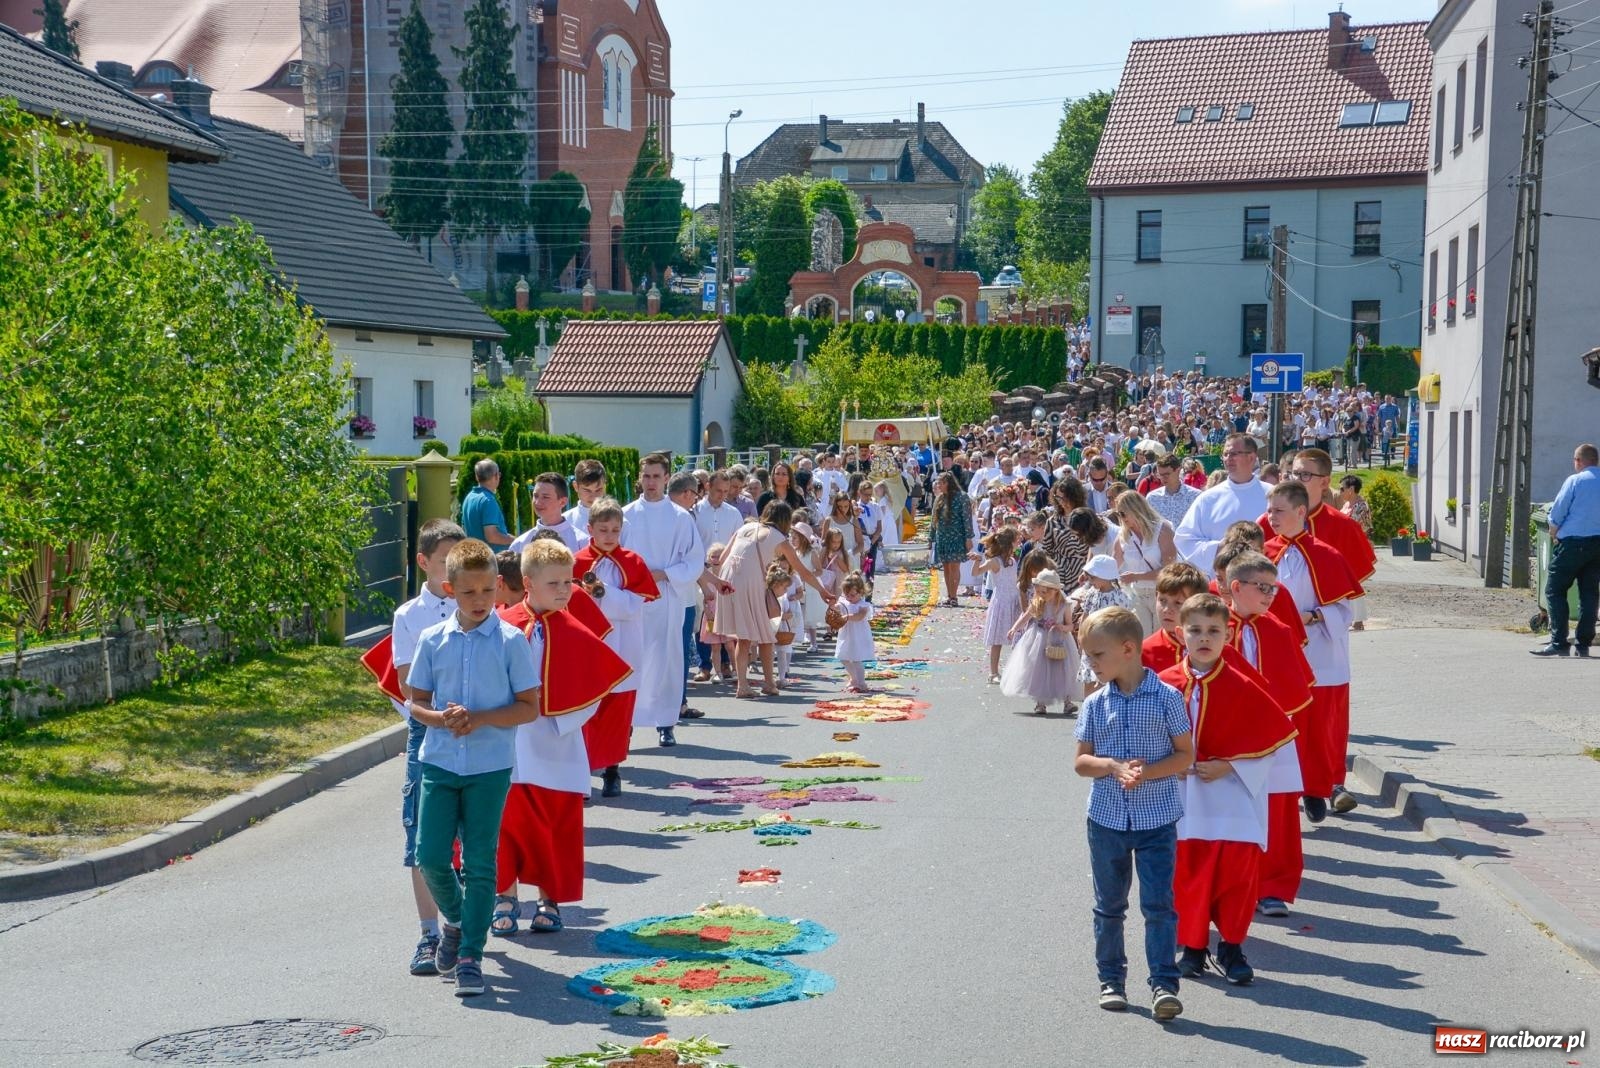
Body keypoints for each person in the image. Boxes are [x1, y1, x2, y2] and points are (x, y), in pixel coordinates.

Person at [403, 538, 541, 997]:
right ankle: (458, 921)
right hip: (440, 762)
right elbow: (415, 702)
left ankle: (470, 957)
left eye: (486, 591)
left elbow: (528, 708)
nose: (479, 601)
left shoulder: (510, 641)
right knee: (430, 856)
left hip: (489, 766)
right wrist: (440, 718)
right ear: (450, 590)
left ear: (498, 586)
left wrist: (480, 718)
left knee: (481, 863)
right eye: (468, 593)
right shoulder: (431, 639)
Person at [492, 538, 629, 939]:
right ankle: (505, 895)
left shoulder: (575, 631)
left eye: (568, 582)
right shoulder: (501, 626)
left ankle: (548, 899)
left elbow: (597, 685)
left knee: (555, 826)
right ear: (528, 582)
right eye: (554, 583)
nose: (565, 590)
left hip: (556, 745)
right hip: (510, 744)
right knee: (506, 822)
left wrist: (563, 717)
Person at [1160, 593, 1296, 987]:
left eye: (1214, 631)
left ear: (1228, 634)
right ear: (1180, 632)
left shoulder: (1245, 686)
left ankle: (1232, 946)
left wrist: (1230, 764)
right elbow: (1146, 739)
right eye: (1196, 630)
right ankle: (1193, 947)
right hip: (1183, 800)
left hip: (1232, 799)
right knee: (1190, 874)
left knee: (1236, 876)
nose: (1205, 638)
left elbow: (1271, 746)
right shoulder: (1164, 686)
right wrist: (1170, 763)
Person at [1073, 606, 1194, 1021]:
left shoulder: (1167, 698)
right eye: (1087, 655)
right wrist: (1110, 766)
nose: (1090, 663)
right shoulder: (1093, 704)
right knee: (1108, 905)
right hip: (1106, 820)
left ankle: (1163, 984)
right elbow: (1081, 763)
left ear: (1127, 648)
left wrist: (1148, 773)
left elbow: (1185, 756)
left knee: (1158, 905)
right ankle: (1111, 980)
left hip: (1157, 821)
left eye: (1096, 655)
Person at [386, 518, 464, 977]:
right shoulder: (409, 616)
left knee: (471, 831)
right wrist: (442, 715)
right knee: (420, 835)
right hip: (428, 730)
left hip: (476, 729)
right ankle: (428, 932)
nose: (453, 574)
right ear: (423, 562)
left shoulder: (476, 606)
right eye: (443, 564)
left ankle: (465, 925)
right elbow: (407, 683)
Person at [1219, 548, 1315, 918]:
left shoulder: (1278, 630)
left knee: (1279, 811)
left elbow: (1295, 686)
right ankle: (1231, 886)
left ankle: (1273, 887)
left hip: (1272, 737)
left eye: (1274, 589)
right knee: (1228, 811)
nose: (1271, 596)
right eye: (1263, 588)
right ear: (1236, 586)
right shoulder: (1212, 624)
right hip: (1226, 735)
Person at [1263, 480, 1362, 824]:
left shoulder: (1326, 554)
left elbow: (1347, 611)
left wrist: (1314, 615)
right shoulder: (1264, 555)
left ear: (1301, 512)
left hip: (1320, 653)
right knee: (1283, 727)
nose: (1270, 516)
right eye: (1269, 509)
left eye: (1278, 510)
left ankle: (1318, 788)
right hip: (1278, 656)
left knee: (1320, 728)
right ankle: (1288, 790)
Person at [574, 500, 658, 798]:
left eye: (615, 530)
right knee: (584, 712)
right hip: (589, 647)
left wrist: (603, 592)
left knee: (616, 712)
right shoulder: (577, 562)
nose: (609, 536)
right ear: (590, 530)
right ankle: (580, 774)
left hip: (623, 644)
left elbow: (635, 606)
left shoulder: (633, 561)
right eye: (603, 530)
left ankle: (612, 770)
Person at [621, 454, 701, 748]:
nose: (651, 482)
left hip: (667, 596)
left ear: (666, 478)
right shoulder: (626, 515)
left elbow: (694, 561)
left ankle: (666, 722)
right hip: (632, 599)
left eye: (656, 476)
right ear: (639, 478)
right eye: (646, 476)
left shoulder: (680, 517)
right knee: (632, 660)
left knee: (667, 659)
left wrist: (664, 574)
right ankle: (626, 722)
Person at [715, 502, 833, 697]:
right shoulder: (779, 538)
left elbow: (723, 558)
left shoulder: (745, 527)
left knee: (744, 638)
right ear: (785, 521)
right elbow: (803, 572)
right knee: (766, 635)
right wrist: (822, 591)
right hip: (751, 584)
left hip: (728, 580)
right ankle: (768, 684)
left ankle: (742, 685)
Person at [1532, 443, 1600, 657]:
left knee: (1554, 589)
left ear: (1579, 461)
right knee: (1589, 593)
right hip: (1597, 544)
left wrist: (1553, 533)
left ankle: (1559, 641)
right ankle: (1583, 644)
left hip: (1572, 543)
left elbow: (1558, 511)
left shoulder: (1575, 481)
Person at [1174, 434, 1268, 576]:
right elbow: (1184, 539)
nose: (1228, 458)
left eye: (1234, 453)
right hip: (1219, 585)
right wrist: (1219, 548)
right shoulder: (1208, 498)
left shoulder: (1271, 495)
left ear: (1252, 457)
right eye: (1225, 454)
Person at [1001, 568, 1081, 716]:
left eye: (1047, 592)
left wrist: (1061, 627)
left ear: (1056, 590)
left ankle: (1067, 701)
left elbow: (1071, 625)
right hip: (1039, 639)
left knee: (1063, 670)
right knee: (1039, 669)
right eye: (1040, 591)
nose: (1043, 595)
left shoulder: (1064, 604)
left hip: (1060, 640)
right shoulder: (1038, 602)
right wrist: (1014, 628)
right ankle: (1040, 703)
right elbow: (1025, 617)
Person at [1113, 492, 1178, 636]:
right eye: (1118, 514)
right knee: (1142, 639)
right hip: (1138, 595)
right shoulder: (1123, 536)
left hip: (1163, 594)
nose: (1121, 518)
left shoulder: (1163, 530)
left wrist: (1136, 576)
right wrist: (1090, 577)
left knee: (1162, 637)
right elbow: (1113, 565)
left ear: (1135, 509)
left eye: (1122, 513)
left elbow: (1169, 570)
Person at [1070, 556, 1135, 698]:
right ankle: (1088, 712)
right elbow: (1085, 615)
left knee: (1104, 680)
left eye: (1093, 577)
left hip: (1109, 643)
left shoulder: (1120, 597)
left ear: (1106, 576)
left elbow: (1124, 621)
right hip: (1091, 642)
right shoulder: (1091, 594)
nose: (1090, 581)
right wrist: (1081, 636)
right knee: (1089, 679)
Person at [1142, 562, 1208, 675]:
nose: (1167, 609)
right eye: (1162, 600)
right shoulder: (1145, 652)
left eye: (1178, 603)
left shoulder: (1214, 646)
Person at [976, 528, 1022, 684]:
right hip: (1001, 601)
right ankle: (993, 672)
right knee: (997, 640)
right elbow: (977, 572)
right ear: (1009, 543)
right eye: (1016, 540)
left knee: (1017, 637)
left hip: (1014, 600)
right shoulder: (995, 561)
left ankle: (1016, 671)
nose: (1019, 543)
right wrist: (977, 560)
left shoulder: (1013, 560)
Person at [930, 472, 974, 606]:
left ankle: (954, 596)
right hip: (942, 537)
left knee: (954, 566)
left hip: (957, 537)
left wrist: (968, 537)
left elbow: (967, 519)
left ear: (948, 483)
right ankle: (949, 595)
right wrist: (931, 537)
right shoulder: (939, 498)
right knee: (946, 567)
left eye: (941, 483)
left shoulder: (962, 497)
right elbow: (934, 519)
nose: (938, 485)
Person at [510, 471, 582, 553]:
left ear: (562, 502)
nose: (537, 502)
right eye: (535, 496)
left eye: (545, 497)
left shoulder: (580, 541)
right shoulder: (520, 544)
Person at [833, 571, 877, 692]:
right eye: (847, 595)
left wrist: (847, 616)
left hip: (858, 635)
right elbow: (835, 607)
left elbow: (860, 616)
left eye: (852, 595)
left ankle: (861, 682)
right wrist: (832, 605)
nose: (849, 598)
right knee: (843, 657)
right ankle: (854, 678)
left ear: (861, 592)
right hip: (846, 634)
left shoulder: (863, 605)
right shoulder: (844, 602)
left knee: (856, 659)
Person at [461, 459, 513, 548]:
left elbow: (464, 529)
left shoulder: (469, 497)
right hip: (491, 558)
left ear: (477, 477)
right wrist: (516, 541)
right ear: (496, 476)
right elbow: (492, 536)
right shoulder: (488, 500)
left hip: (475, 554)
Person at [1145, 454, 1202, 529]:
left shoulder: (1195, 496)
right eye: (1160, 475)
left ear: (1178, 471)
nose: (1163, 478)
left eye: (1166, 474)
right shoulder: (1152, 498)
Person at [565, 459, 608, 535]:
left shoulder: (620, 519)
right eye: (587, 490)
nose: (594, 496)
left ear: (605, 486)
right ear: (575, 486)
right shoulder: (565, 522)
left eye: (598, 490)